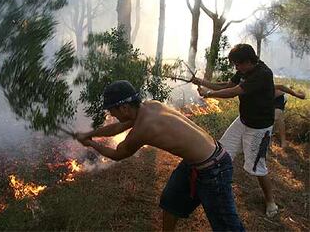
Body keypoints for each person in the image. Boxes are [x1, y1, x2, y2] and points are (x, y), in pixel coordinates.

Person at [75, 80, 244, 232]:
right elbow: (119, 127)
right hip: (198, 162)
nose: (112, 115)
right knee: (171, 201)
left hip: (214, 169)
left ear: (124, 108)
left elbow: (118, 154)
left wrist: (90, 143)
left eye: (112, 110)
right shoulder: (151, 106)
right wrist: (90, 134)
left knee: (227, 227)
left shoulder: (143, 129)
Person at [192, 43, 278, 217]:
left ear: (248, 61)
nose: (236, 68)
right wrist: (203, 82)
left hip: (259, 128)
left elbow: (234, 92)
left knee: (257, 167)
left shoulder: (262, 74)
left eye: (238, 64)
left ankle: (271, 201)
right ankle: (218, 187)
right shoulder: (244, 70)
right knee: (222, 152)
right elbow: (227, 85)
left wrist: (208, 94)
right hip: (244, 120)